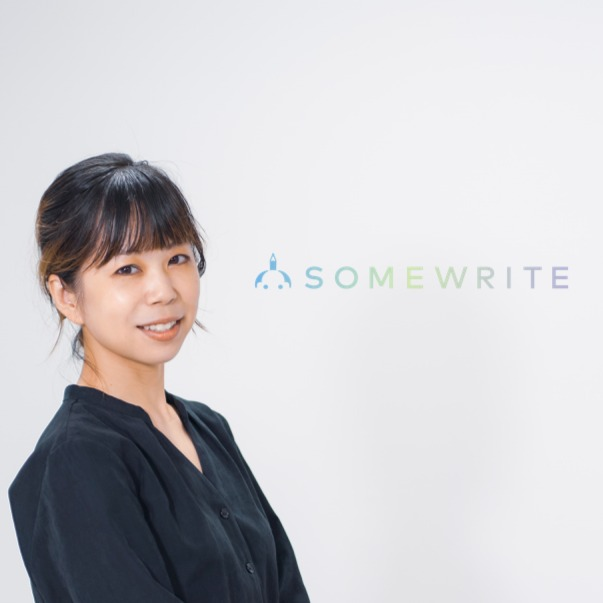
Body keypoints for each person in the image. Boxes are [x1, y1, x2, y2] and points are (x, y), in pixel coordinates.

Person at [7, 153, 311, 603]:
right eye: (127, 269)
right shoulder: (75, 460)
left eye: (177, 258)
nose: (164, 290)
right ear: (67, 296)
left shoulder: (208, 427)